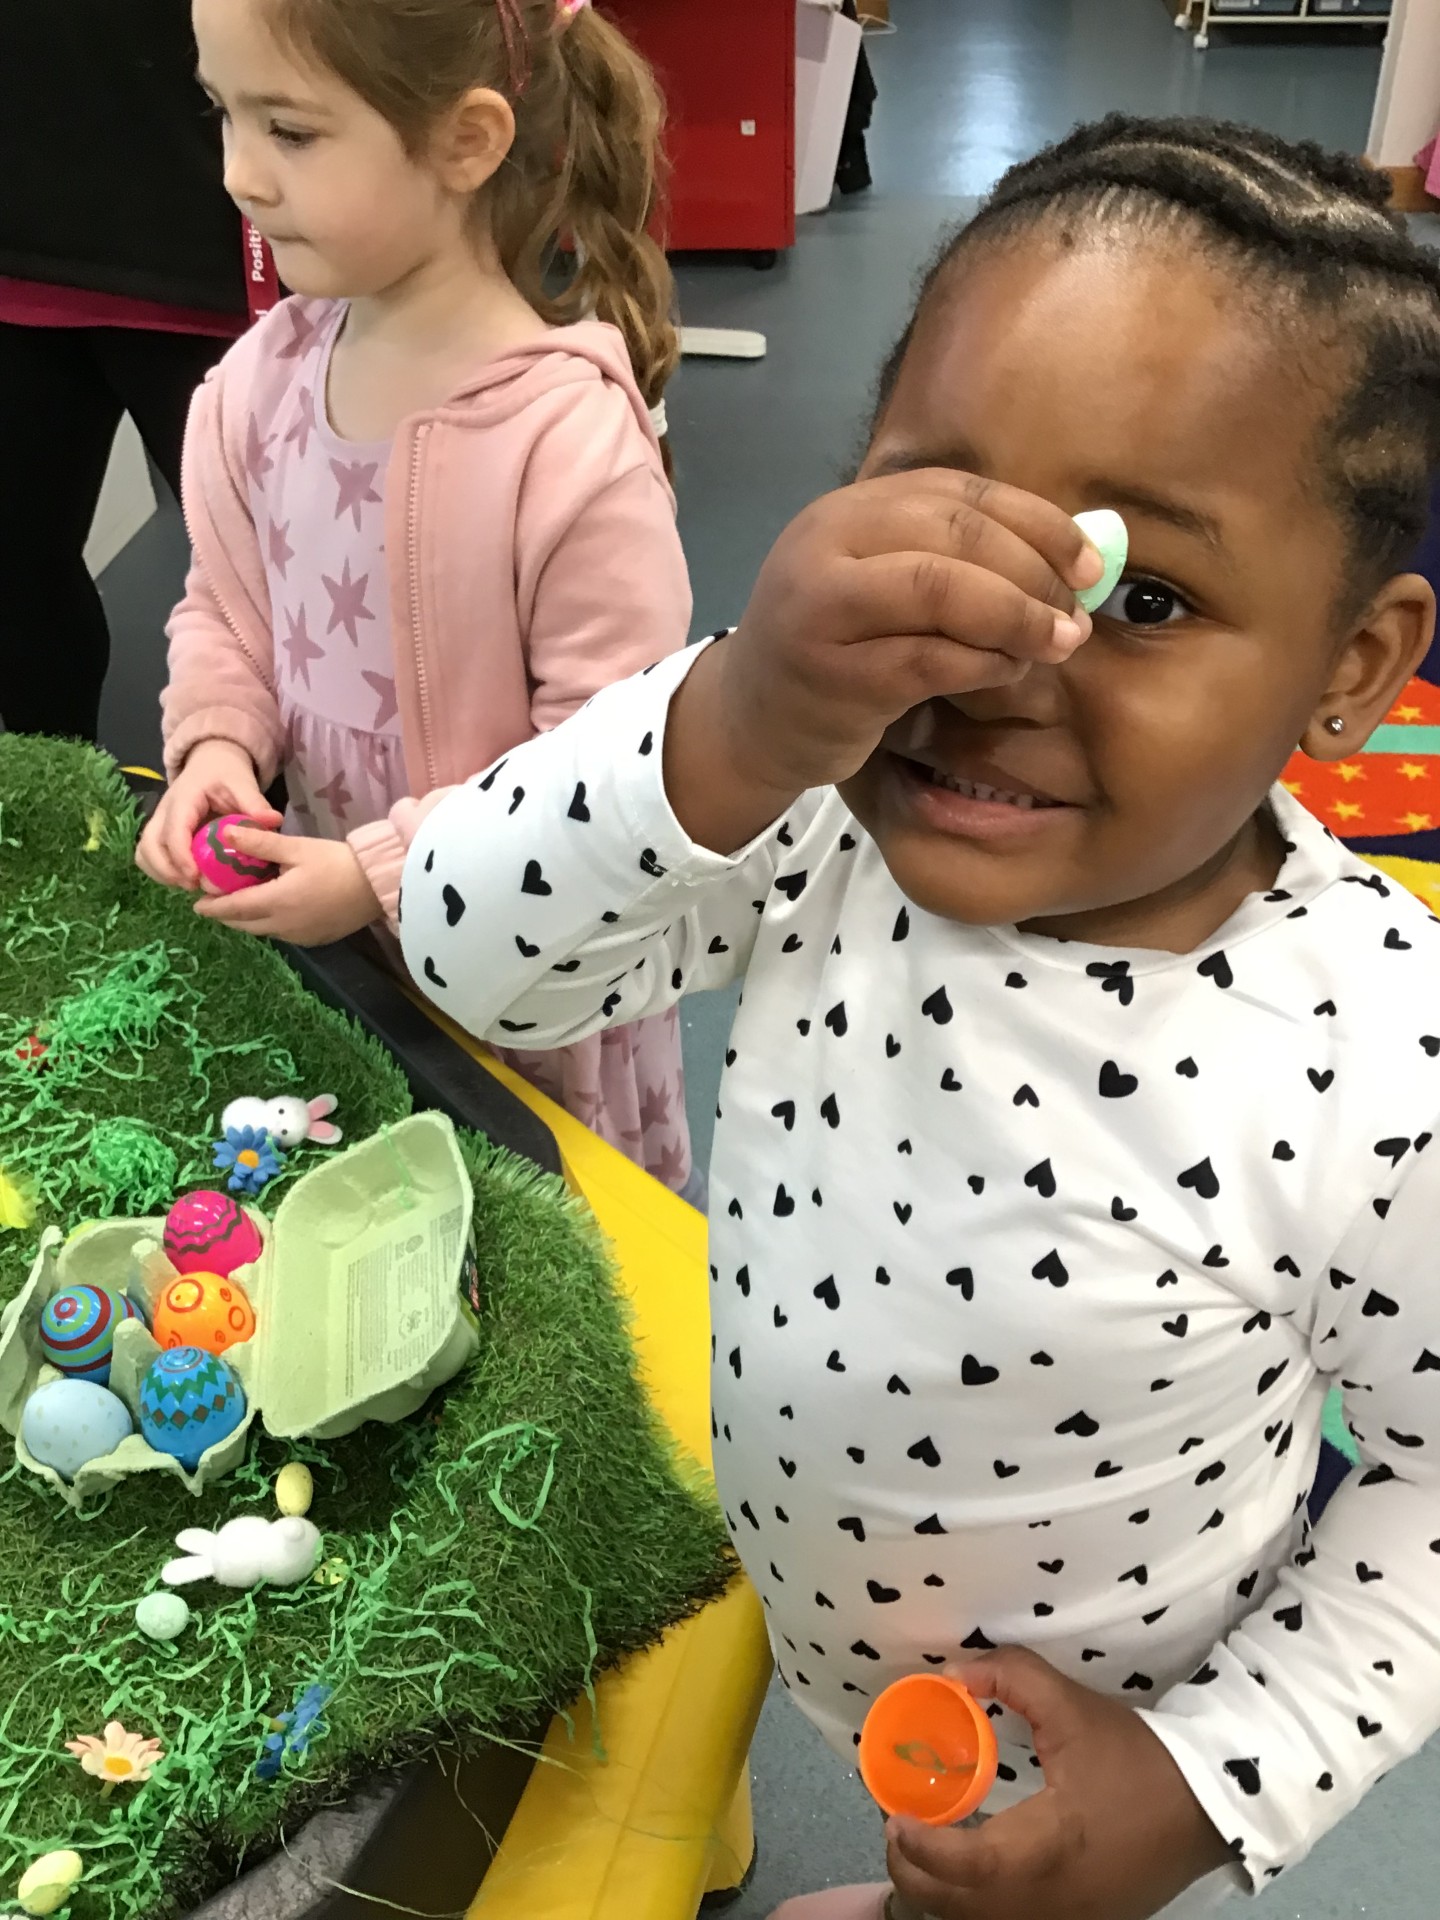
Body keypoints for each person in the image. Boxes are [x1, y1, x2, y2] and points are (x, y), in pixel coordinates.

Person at [378, 117, 1440, 1919]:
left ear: (1353, 667)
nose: (995, 664)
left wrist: (1207, 1786)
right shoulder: (814, 802)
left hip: (1112, 1763)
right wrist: (730, 721)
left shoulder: (1378, 1051)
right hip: (822, 1649)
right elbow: (469, 951)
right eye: (937, 538)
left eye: (1145, 599)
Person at [136, 0, 698, 1197]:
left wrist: (383, 875)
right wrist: (219, 747)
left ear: (466, 141)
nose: (238, 173)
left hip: (519, 984)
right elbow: (226, 611)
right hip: (344, 959)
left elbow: (608, 774)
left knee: (534, 1247)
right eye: (222, 112)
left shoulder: (568, 448)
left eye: (290, 129)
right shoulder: (256, 387)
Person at [0, 0, 251, 742]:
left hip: (212, 236)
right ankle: (64, 808)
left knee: (270, 591)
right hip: (17, 239)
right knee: (16, 582)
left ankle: (260, 811)